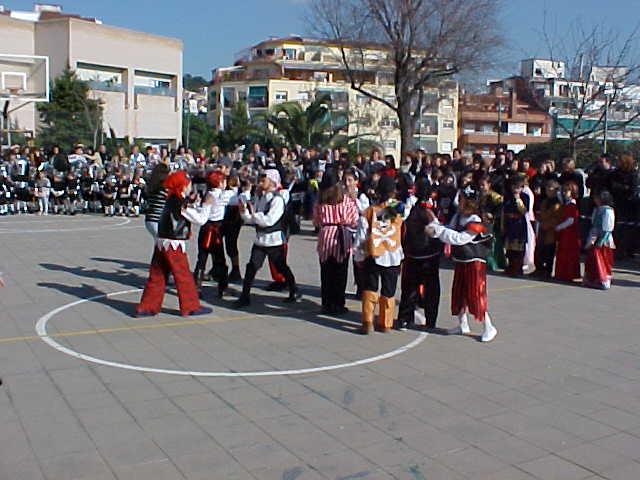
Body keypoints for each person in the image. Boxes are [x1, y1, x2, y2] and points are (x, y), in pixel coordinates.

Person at [135, 170, 213, 317]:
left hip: (162, 240)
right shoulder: (180, 203)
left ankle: (147, 307)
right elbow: (200, 220)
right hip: (173, 243)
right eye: (188, 184)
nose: (190, 187)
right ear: (182, 186)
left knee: (157, 275)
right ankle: (190, 306)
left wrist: (191, 201)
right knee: (183, 275)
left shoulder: (171, 199)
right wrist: (207, 205)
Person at [425, 185, 498, 342]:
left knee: (475, 294)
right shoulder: (458, 216)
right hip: (461, 260)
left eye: (463, 200)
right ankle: (462, 324)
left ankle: (488, 327)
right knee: (459, 292)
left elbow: (459, 238)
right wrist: (435, 225)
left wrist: (438, 231)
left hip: (474, 262)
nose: (459, 202)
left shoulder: (476, 221)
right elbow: (449, 229)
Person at [234, 169, 300, 308]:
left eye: (263, 180)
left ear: (272, 181)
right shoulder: (260, 197)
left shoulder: (277, 199)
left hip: (274, 240)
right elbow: (252, 219)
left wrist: (254, 214)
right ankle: (245, 296)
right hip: (260, 239)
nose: (260, 183)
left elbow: (269, 220)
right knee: (252, 267)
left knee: (281, 266)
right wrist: (244, 213)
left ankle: (294, 289)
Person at [354, 176, 404, 334]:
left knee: (370, 287)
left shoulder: (369, 211)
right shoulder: (399, 209)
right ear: (393, 191)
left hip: (373, 254)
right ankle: (385, 323)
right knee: (389, 290)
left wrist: (358, 256)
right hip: (393, 254)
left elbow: (361, 236)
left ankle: (368, 322)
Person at [397, 178, 443, 330]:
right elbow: (437, 229)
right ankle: (429, 320)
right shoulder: (426, 209)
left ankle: (405, 318)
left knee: (410, 288)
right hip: (426, 254)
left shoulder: (419, 208)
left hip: (417, 253)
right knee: (429, 289)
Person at [313, 168, 359, 315]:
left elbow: (316, 221)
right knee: (340, 272)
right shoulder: (346, 200)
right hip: (341, 235)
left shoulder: (320, 201)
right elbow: (354, 220)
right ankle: (338, 303)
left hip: (326, 234)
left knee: (326, 272)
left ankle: (327, 303)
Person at [584, 190, 616, 290]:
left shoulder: (608, 211)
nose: (595, 200)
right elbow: (594, 224)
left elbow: (608, 228)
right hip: (594, 237)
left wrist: (601, 240)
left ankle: (604, 280)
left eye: (597, 198)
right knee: (592, 260)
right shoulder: (597, 209)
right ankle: (593, 279)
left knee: (603, 261)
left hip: (603, 241)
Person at [554, 181, 581, 282]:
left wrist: (559, 227)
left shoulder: (572, 205)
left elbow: (571, 220)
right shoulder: (567, 204)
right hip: (565, 233)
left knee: (568, 254)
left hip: (570, 234)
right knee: (563, 253)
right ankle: (562, 273)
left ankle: (568, 274)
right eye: (564, 191)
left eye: (567, 191)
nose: (564, 193)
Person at [534, 180, 562, 278]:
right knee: (539, 251)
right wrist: (539, 220)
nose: (548, 191)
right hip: (542, 229)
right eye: (547, 189)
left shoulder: (558, 204)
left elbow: (557, 218)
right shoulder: (545, 201)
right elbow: (540, 213)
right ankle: (539, 269)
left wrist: (547, 224)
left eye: (550, 189)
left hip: (550, 231)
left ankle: (547, 271)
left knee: (549, 252)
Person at [502, 176, 529, 276]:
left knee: (519, 248)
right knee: (509, 248)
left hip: (519, 224)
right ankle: (510, 266)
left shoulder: (525, 197)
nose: (515, 189)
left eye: (518, 187)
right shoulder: (508, 196)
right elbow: (505, 209)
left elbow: (524, 210)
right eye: (513, 187)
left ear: (522, 188)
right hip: (510, 223)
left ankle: (518, 268)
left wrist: (518, 199)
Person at [144, 163, 169, 238]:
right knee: (162, 241)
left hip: (150, 219)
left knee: (158, 242)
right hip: (157, 219)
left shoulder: (152, 184)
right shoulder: (162, 187)